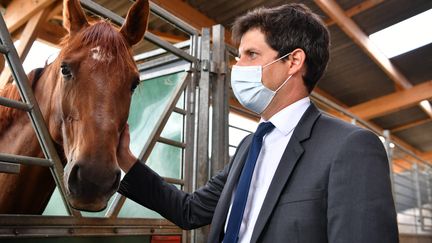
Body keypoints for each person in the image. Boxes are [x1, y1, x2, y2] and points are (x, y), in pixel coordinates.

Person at [117, 3, 398, 243]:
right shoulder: (249, 146)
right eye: (238, 57)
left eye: (251, 55)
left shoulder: (350, 146)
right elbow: (190, 210)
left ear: (294, 61)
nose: (237, 67)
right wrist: (126, 160)